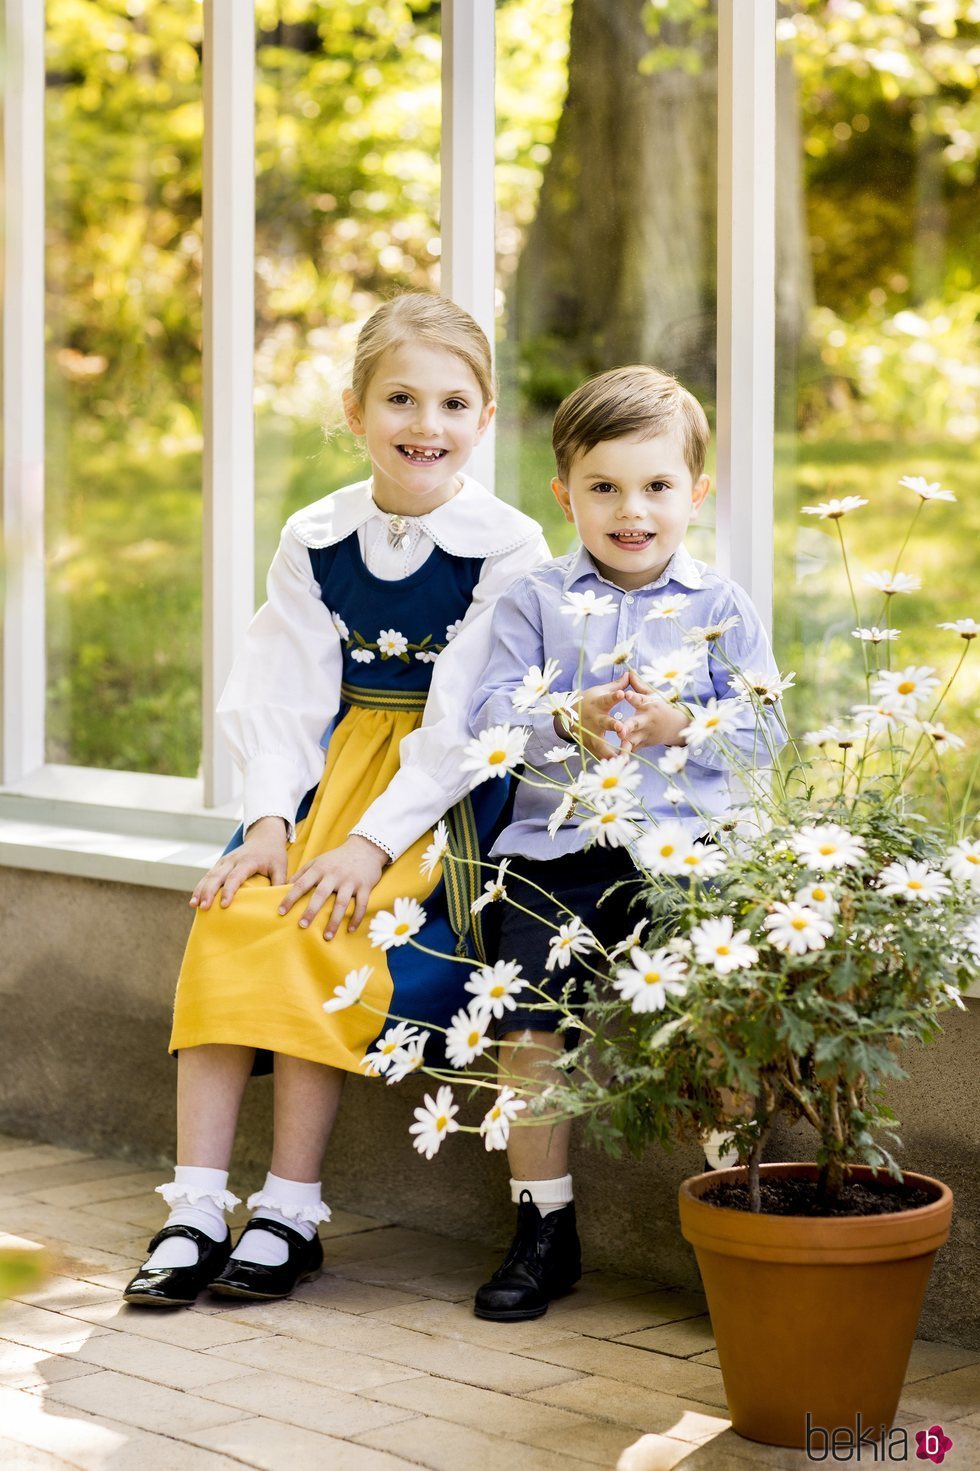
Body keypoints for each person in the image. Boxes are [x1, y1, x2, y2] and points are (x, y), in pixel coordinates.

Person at [123, 292, 549, 1308]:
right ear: (353, 409)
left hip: (431, 805)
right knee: (235, 914)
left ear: (483, 419)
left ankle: (289, 1208)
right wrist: (270, 817)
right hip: (323, 772)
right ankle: (192, 1204)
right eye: (399, 398)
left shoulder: (504, 545)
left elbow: (460, 727)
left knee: (323, 929)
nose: (424, 424)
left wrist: (364, 847)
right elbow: (284, 685)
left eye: (452, 403)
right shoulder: (316, 533)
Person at [468, 365, 785, 1321]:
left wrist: (684, 724)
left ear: (696, 492)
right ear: (566, 495)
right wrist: (567, 718)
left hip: (691, 849)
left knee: (720, 1020)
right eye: (603, 487)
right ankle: (543, 1227)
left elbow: (769, 731)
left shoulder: (723, 605)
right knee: (526, 1028)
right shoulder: (534, 601)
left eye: (654, 487)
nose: (630, 509)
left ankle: (743, 1215)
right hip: (558, 848)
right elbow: (487, 719)